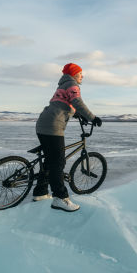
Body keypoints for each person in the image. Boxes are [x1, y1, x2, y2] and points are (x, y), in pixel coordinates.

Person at [33, 62, 102, 212]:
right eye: (80, 73)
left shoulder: (63, 85)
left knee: (50, 160)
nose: (82, 76)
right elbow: (77, 101)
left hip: (43, 124)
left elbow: (62, 103)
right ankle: (60, 198)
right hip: (53, 126)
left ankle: (40, 192)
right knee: (58, 162)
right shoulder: (72, 84)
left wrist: (77, 114)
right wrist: (92, 117)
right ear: (74, 74)